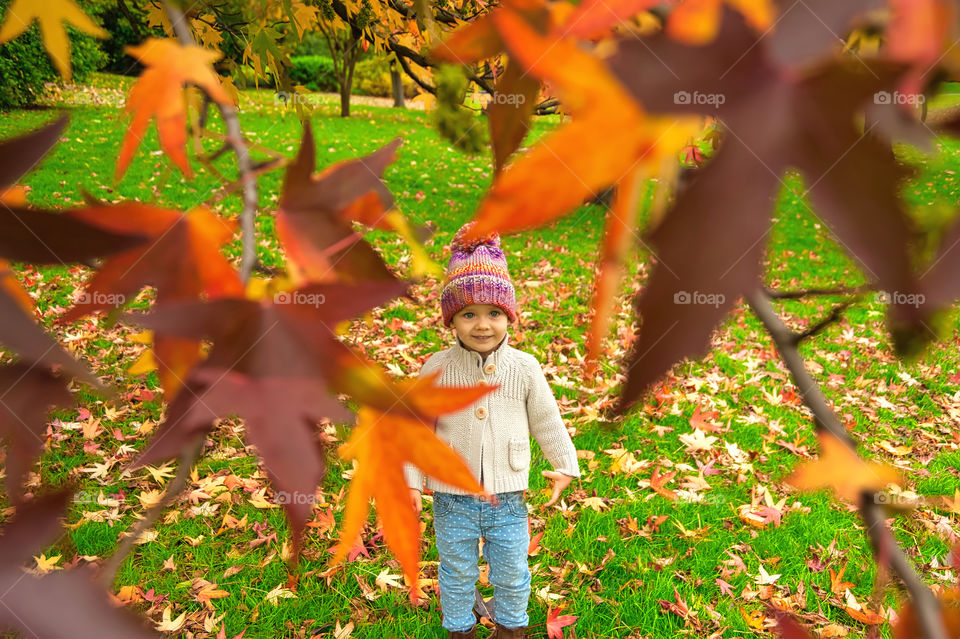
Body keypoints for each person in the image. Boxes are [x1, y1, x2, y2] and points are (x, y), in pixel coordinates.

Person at [405, 223, 581, 639]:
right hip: (451, 499)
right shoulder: (437, 368)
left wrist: (565, 465)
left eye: (494, 313)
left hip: (507, 497)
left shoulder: (524, 369)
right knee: (456, 570)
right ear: (451, 319)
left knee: (512, 569)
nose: (482, 325)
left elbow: (546, 420)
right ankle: (460, 629)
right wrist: (411, 482)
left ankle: (512, 629)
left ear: (509, 316)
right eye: (468, 314)